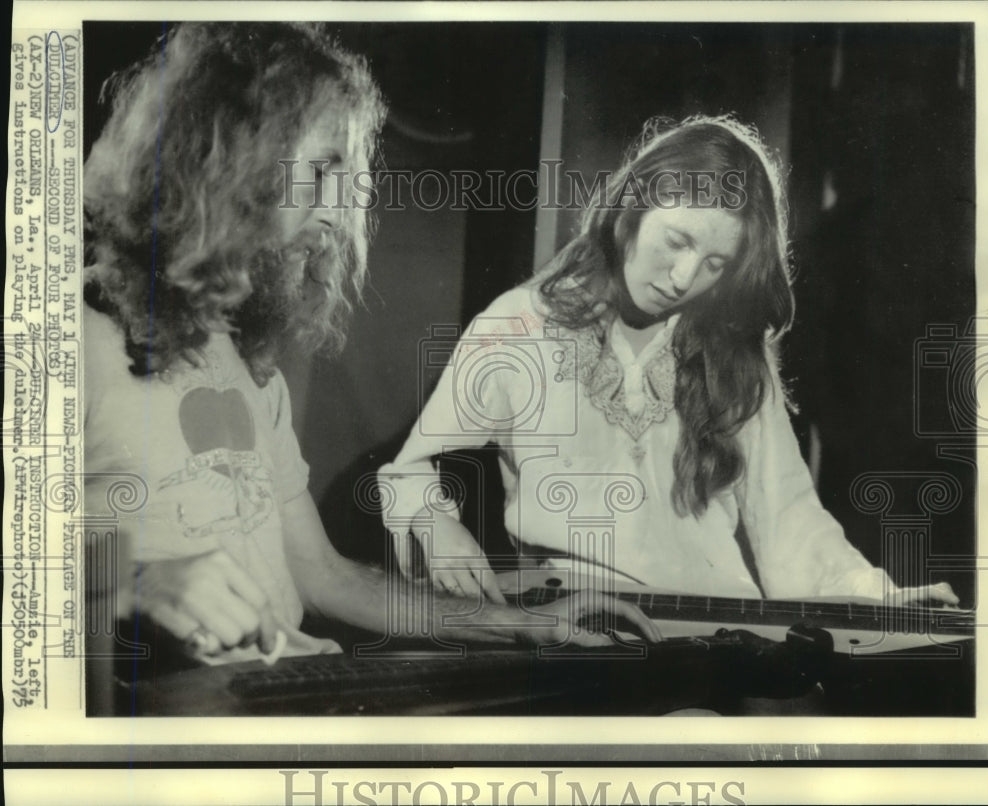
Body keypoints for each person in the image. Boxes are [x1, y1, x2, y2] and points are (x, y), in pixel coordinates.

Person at [83, 21, 659, 668]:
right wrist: (129, 580)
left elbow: (325, 577)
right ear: (232, 158)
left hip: (290, 696)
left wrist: (526, 625)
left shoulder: (247, 363)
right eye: (322, 170)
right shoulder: (74, 335)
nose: (336, 216)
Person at [378, 115, 959, 610]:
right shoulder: (522, 324)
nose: (684, 279)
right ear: (633, 207)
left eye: (714, 264)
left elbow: (788, 517)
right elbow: (407, 470)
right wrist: (436, 525)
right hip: (575, 627)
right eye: (678, 242)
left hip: (716, 634)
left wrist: (874, 596)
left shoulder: (736, 352)